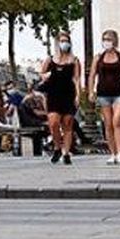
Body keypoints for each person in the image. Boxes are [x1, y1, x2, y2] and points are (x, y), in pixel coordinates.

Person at [87, 29, 120, 164]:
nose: (106, 42)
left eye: (109, 39)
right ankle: (113, 153)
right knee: (108, 124)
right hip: (103, 94)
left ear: (115, 41)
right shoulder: (98, 57)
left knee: (117, 121)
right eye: (104, 39)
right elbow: (92, 75)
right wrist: (91, 91)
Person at [38, 32, 82, 164]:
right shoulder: (50, 59)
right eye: (62, 41)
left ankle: (66, 153)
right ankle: (57, 146)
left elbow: (77, 79)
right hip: (53, 94)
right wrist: (44, 76)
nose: (65, 43)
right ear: (57, 43)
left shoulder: (74, 60)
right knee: (54, 122)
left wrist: (78, 95)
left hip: (68, 94)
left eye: (66, 41)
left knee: (68, 124)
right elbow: (42, 73)